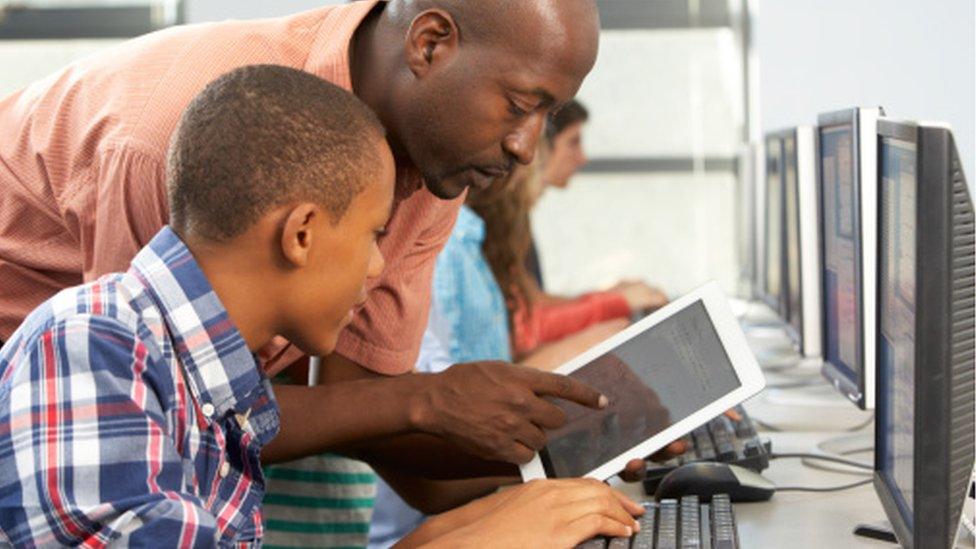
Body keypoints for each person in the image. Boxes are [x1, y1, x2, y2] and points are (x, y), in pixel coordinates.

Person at [0, 0, 612, 536]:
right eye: (518, 105)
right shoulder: (178, 142)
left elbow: (357, 416)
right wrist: (425, 404)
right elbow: (169, 417)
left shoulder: (434, 159)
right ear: (429, 43)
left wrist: (566, 451)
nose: (526, 148)